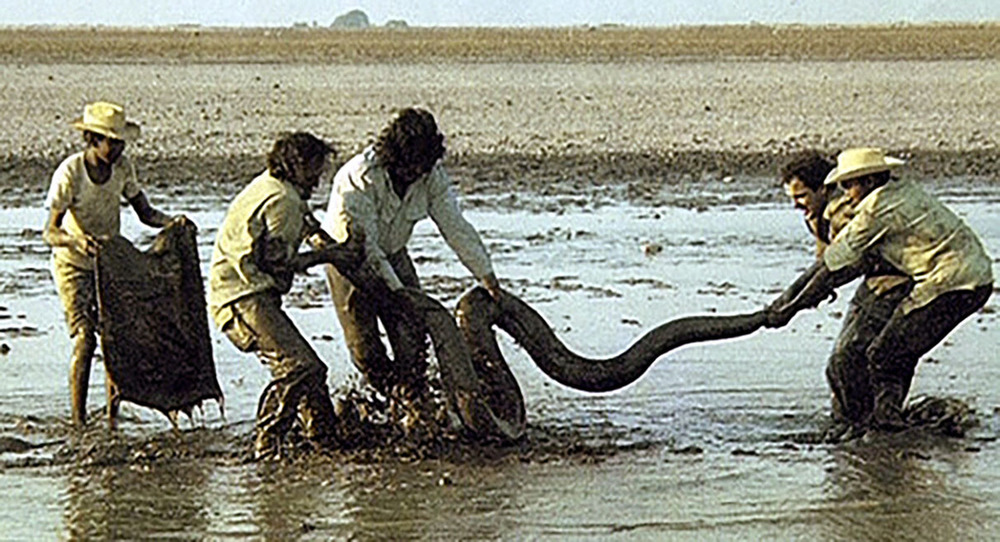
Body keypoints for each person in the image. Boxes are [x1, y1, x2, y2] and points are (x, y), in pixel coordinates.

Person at [767, 148, 993, 432]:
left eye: (849, 184)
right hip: (951, 277)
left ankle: (883, 428)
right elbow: (827, 262)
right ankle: (877, 423)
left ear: (870, 181)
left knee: (879, 356)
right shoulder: (885, 195)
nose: (846, 192)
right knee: (868, 357)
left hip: (948, 282)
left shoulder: (871, 210)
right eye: (843, 185)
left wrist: (784, 307)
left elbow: (838, 265)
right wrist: (797, 298)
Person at [321, 107, 502, 401]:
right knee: (365, 348)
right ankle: (395, 399)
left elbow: (455, 226)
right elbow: (368, 250)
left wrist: (486, 275)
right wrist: (399, 293)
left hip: (394, 253)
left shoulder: (431, 175)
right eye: (412, 165)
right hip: (350, 262)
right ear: (393, 155)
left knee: (414, 337)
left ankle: (415, 399)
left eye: (423, 166)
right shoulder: (359, 177)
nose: (417, 172)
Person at [208, 132, 362, 459]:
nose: (318, 181)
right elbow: (277, 262)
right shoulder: (284, 201)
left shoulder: (272, 185)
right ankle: (266, 445)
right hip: (242, 298)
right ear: (296, 166)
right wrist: (331, 256)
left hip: (238, 291)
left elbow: (307, 228)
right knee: (299, 368)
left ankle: (323, 440)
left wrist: (334, 247)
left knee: (311, 371)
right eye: (315, 172)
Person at [43, 101, 177, 428]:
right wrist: (77, 241)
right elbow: (50, 231)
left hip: (109, 264)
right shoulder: (71, 172)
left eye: (119, 142)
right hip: (73, 264)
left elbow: (145, 212)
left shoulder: (123, 168)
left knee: (115, 340)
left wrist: (172, 223)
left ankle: (111, 418)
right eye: (109, 141)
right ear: (91, 139)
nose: (115, 148)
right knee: (85, 338)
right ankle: (78, 421)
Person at [777, 153, 911, 439]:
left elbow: (846, 262)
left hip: (895, 282)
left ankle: (867, 427)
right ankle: (859, 425)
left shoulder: (845, 213)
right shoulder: (816, 217)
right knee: (844, 363)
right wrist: (800, 296)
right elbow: (823, 263)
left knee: (846, 359)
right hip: (874, 282)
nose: (796, 204)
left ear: (823, 189)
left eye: (801, 196)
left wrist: (792, 302)